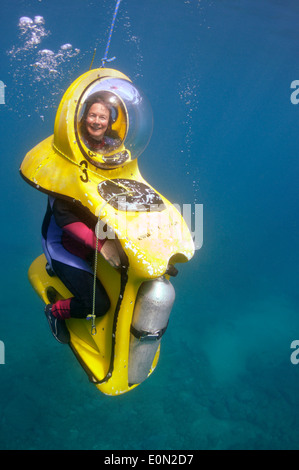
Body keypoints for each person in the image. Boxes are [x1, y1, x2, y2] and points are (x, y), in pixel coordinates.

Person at [43, 96, 122, 344]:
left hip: (93, 233)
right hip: (63, 244)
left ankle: (59, 269)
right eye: (92, 115)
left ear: (109, 122)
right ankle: (54, 312)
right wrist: (102, 245)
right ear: (84, 116)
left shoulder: (112, 151)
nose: (96, 121)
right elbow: (64, 215)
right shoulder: (69, 154)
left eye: (102, 117)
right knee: (98, 305)